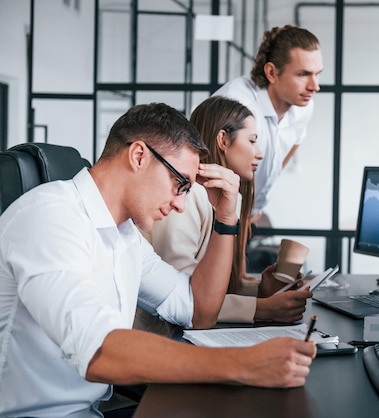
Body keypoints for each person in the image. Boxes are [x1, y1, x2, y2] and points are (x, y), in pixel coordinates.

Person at [0, 103, 316, 417]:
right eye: (180, 185)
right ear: (139, 155)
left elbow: (199, 311)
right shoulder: (49, 218)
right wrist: (246, 364)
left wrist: (225, 217)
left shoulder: (124, 235)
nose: (181, 205)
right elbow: (99, 351)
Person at [136, 96, 311, 331]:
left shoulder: (223, 198)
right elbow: (187, 294)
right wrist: (264, 308)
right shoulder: (188, 196)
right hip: (166, 338)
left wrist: (260, 291)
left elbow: (213, 286)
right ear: (223, 140)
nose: (259, 153)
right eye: (252, 141)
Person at [214, 24, 323, 219]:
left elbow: (291, 145)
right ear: (272, 73)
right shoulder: (237, 105)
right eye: (303, 74)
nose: (315, 86)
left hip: (249, 214)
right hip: (214, 213)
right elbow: (201, 164)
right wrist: (230, 215)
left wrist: (255, 205)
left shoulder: (304, 108)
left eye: (317, 74)